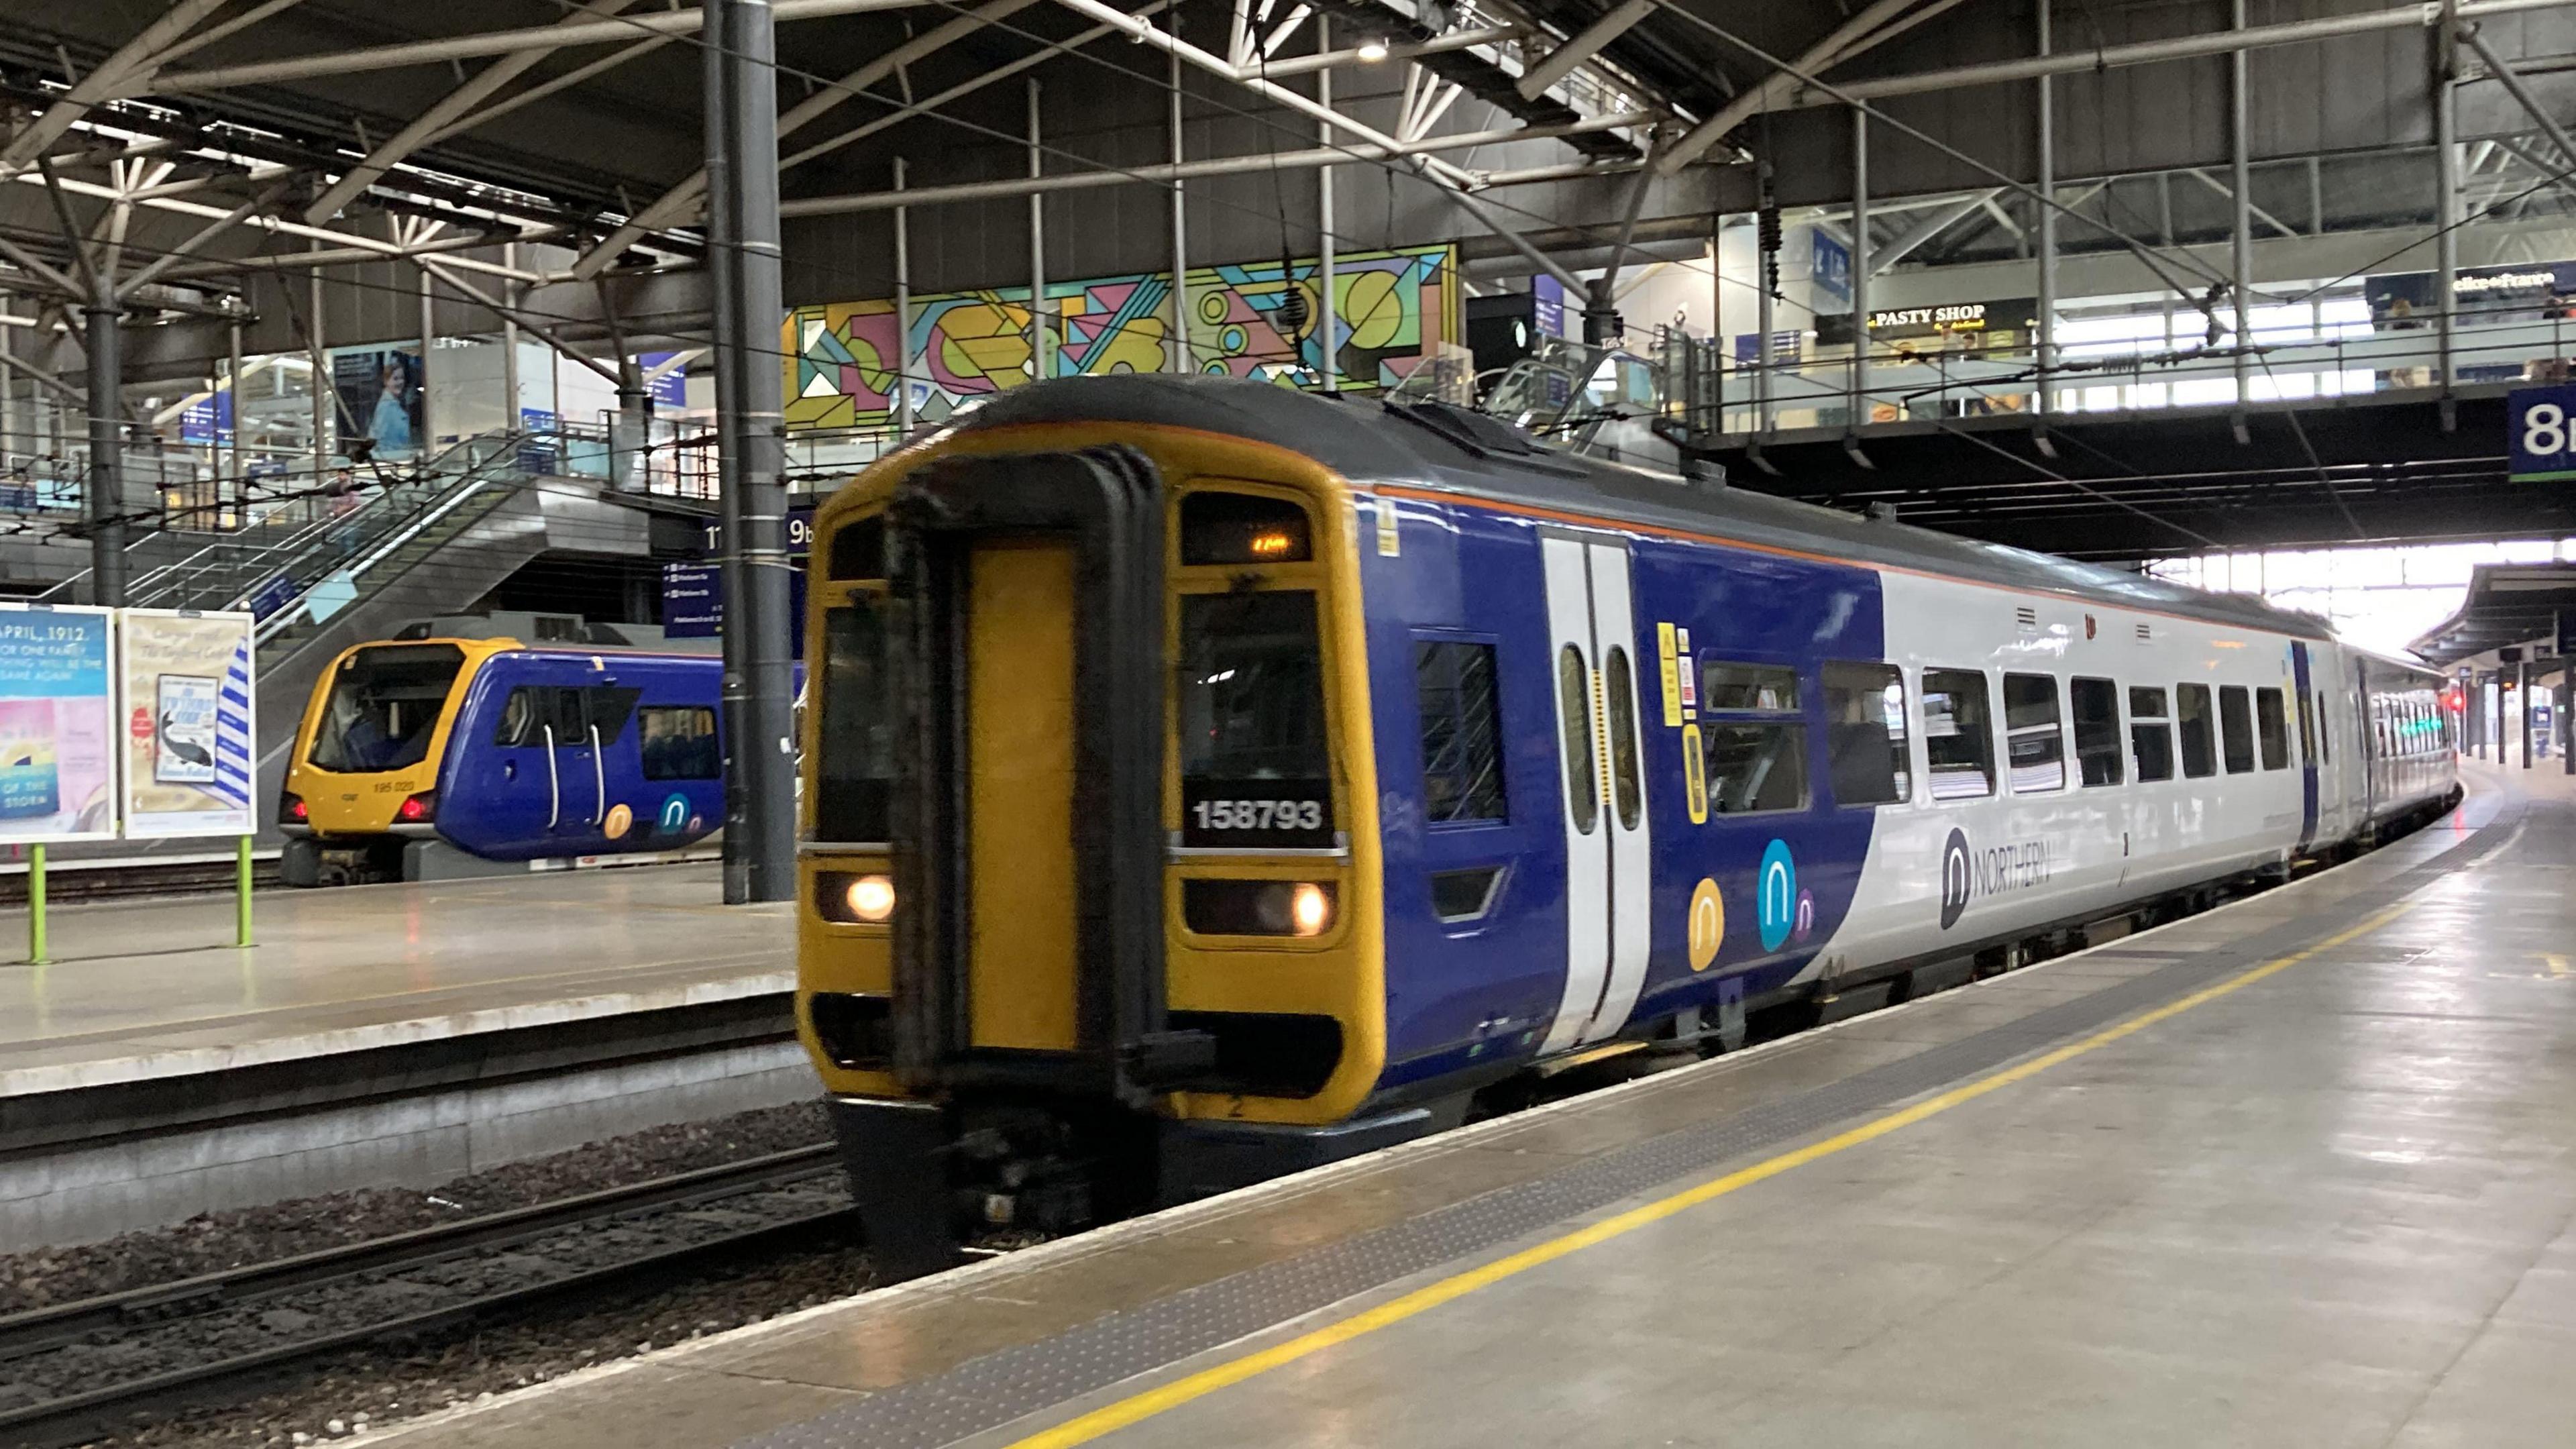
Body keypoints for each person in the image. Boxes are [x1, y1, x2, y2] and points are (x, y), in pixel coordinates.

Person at [367, 362, 414, 458]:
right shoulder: (386, 406)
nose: (400, 382)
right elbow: (377, 438)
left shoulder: (396, 403)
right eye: (395, 379)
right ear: (386, 381)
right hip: (390, 459)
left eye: (402, 378)